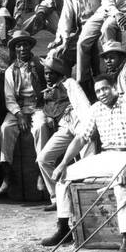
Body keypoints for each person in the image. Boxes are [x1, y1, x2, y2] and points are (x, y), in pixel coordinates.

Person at [47, 78, 126, 252]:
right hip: (107, 155)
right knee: (64, 176)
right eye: (98, 91)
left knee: (121, 183)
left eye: (105, 89)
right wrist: (63, 163)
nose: (102, 94)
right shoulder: (96, 108)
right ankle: (63, 229)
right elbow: (80, 138)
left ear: (115, 88)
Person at [36, 55, 94, 236]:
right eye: (45, 73)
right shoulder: (48, 90)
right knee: (43, 158)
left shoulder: (70, 84)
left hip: (81, 126)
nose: (47, 76)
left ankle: (88, 198)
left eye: (50, 73)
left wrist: (85, 132)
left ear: (59, 73)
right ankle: (55, 197)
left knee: (87, 162)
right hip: (65, 127)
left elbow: (84, 106)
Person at [0, 30, 46, 196]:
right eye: (19, 45)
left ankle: (41, 172)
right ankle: (7, 174)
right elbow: (9, 97)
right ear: (15, 49)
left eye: (25, 44)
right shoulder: (10, 71)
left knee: (41, 126)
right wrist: (19, 115)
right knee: (5, 128)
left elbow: (48, 86)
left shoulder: (40, 64)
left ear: (30, 46)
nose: (22, 48)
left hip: (37, 106)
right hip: (18, 107)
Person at [47, 0, 103, 73]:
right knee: (59, 53)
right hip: (80, 29)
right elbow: (66, 15)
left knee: (89, 49)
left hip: (99, 27)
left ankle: (85, 78)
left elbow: (107, 5)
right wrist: (63, 37)